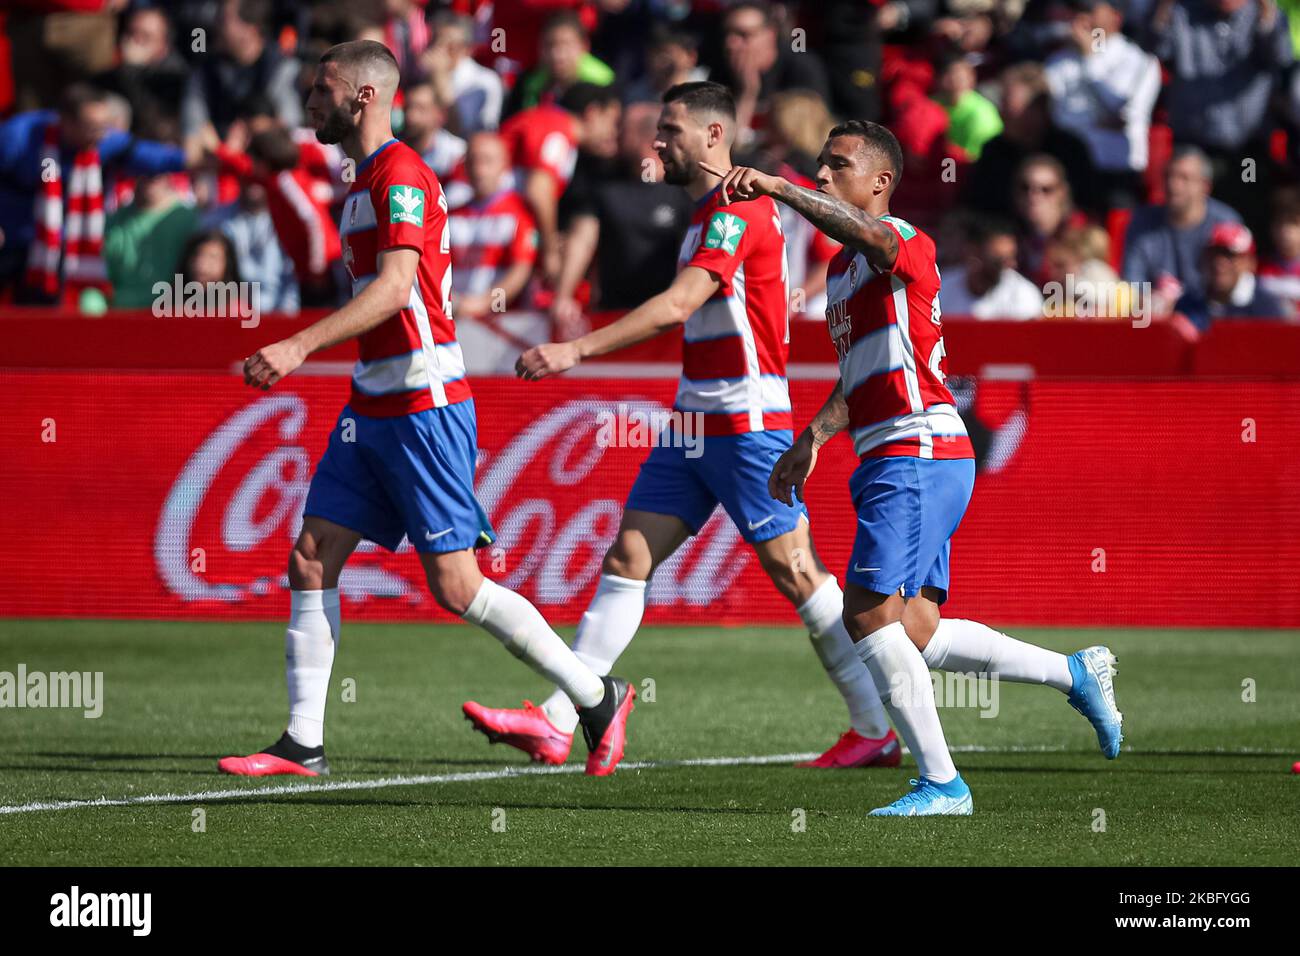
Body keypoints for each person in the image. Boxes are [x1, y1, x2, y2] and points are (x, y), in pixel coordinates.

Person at [218, 40, 634, 780]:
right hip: (373, 402)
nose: (310, 102)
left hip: (422, 402)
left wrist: (298, 345)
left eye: (323, 89)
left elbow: (395, 287)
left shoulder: (400, 174)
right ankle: (302, 743)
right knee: (312, 558)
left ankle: (596, 697)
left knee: (457, 586)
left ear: (366, 96)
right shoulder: (361, 181)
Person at [464, 82, 906, 773]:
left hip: (746, 422)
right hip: (693, 422)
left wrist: (576, 349)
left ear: (711, 137)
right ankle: (561, 716)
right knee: (627, 560)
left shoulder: (737, 209)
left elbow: (679, 305)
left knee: (795, 573)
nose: (656, 144)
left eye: (669, 131)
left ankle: (874, 726)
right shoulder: (706, 212)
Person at [707, 120, 1125, 813]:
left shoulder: (902, 238)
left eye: (838, 165)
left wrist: (778, 187)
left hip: (918, 448)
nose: (822, 174)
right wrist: (812, 436)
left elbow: (866, 235)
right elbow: (864, 374)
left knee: (865, 614)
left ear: (880, 182)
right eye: (818, 164)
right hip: (892, 451)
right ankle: (1073, 672)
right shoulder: (844, 272)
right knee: (918, 631)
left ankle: (942, 783)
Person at [1122, 146, 1243, 312]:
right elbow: (1132, 285)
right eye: (1169, 176)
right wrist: (1152, 302)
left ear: (1205, 186)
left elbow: (1235, 286)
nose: (1174, 185)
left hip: (1213, 320)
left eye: (1184, 178)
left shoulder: (1226, 223)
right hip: (1154, 320)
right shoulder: (1142, 223)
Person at [448, 132, 538, 319]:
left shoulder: (519, 213)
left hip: (501, 321)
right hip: (454, 318)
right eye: (473, 161)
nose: (479, 169)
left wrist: (486, 304)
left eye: (487, 161)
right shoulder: (451, 215)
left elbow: (521, 270)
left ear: (504, 164)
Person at [1175, 222, 1289, 329]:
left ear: (1249, 262)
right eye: (1214, 254)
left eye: (1229, 255)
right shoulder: (1188, 303)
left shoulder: (1267, 309)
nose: (1219, 263)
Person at [941, 219, 1045, 319]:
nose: (1011, 265)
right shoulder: (941, 289)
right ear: (973, 253)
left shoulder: (1024, 295)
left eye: (1011, 257)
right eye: (1000, 260)